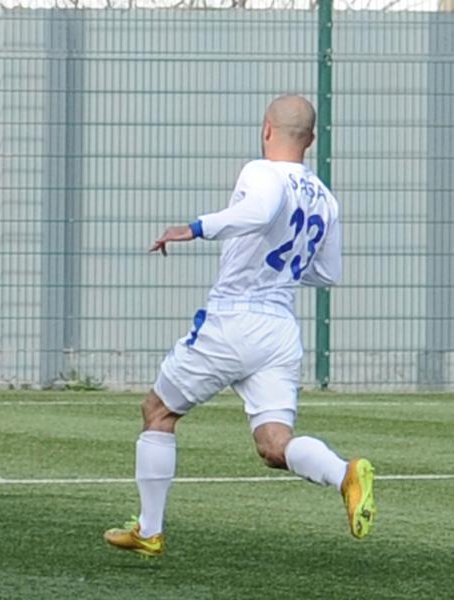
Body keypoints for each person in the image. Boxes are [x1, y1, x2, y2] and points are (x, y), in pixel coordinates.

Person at [104, 95, 375, 557]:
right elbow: (328, 273)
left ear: (266, 129)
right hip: (279, 329)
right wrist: (281, 269)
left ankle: (149, 530)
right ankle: (343, 473)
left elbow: (260, 212)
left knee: (158, 411)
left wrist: (194, 227)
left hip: (235, 319)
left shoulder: (261, 172)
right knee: (274, 445)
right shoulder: (325, 198)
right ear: (311, 140)